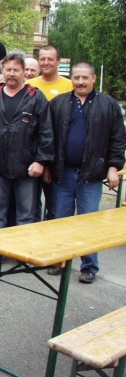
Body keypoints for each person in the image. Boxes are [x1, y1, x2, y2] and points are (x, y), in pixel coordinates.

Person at [0, 53, 54, 268]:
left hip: (27, 167)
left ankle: (23, 253)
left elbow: (46, 133)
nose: (12, 74)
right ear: (2, 71)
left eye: (16, 70)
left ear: (24, 72)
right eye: (8, 70)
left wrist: (41, 161)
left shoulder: (36, 97)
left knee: (26, 214)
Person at [45, 62, 126, 283]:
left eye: (85, 78)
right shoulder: (59, 103)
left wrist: (113, 167)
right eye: (77, 78)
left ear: (93, 79)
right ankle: (59, 260)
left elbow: (118, 138)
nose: (80, 82)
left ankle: (89, 267)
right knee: (60, 219)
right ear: (71, 79)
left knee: (88, 222)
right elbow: (48, 137)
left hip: (91, 174)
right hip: (62, 173)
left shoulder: (108, 104)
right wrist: (47, 165)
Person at [27, 45, 72, 221]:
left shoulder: (69, 86)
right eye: (42, 59)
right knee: (30, 206)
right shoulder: (29, 85)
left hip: (58, 156)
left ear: (58, 61)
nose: (46, 63)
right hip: (31, 155)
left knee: (55, 206)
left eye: (50, 59)